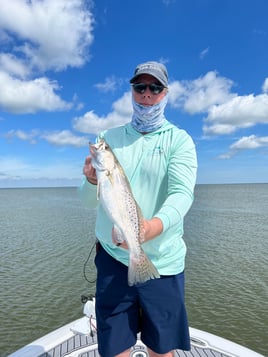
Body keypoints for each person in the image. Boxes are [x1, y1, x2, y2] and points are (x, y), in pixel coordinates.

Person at [80, 61, 197, 357]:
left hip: (163, 264)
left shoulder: (179, 140)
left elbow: (181, 195)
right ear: (131, 91)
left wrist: (150, 229)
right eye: (140, 87)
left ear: (165, 93)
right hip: (112, 260)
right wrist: (90, 179)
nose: (147, 93)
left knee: (162, 346)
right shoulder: (107, 138)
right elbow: (86, 201)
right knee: (115, 347)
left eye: (155, 87)